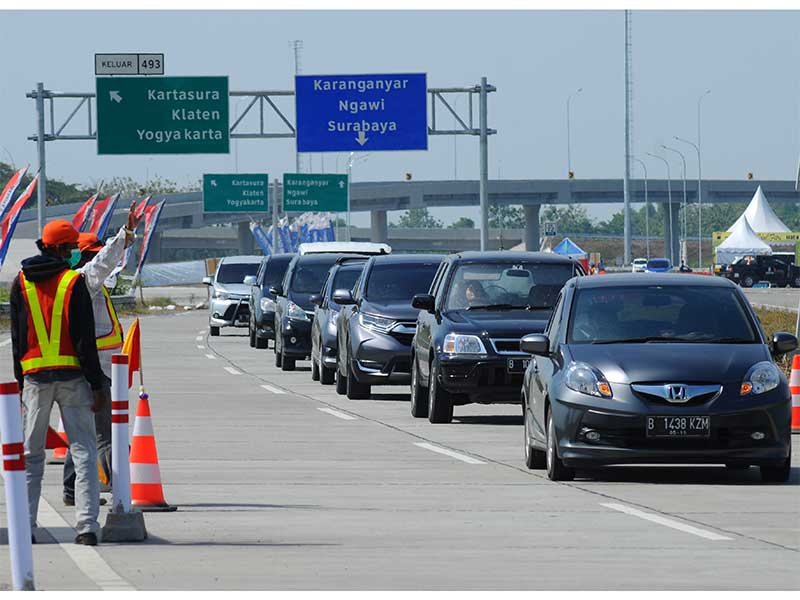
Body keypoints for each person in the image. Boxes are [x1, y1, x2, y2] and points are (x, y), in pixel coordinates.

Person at [10, 220, 107, 546]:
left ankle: (25, 527)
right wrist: (97, 384)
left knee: (31, 457)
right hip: (72, 378)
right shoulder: (72, 281)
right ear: (62, 248)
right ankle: (87, 527)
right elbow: (84, 340)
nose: (75, 252)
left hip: (35, 378)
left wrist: (20, 383)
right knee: (83, 453)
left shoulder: (20, 282)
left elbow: (17, 337)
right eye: (72, 247)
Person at [62, 204, 140, 507]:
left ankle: (73, 489)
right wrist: (125, 234)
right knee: (105, 435)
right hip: (95, 371)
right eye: (91, 252)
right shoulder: (85, 281)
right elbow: (104, 262)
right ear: (79, 256)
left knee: (84, 433)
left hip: (94, 369)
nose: (97, 257)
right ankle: (122, 490)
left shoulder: (82, 284)